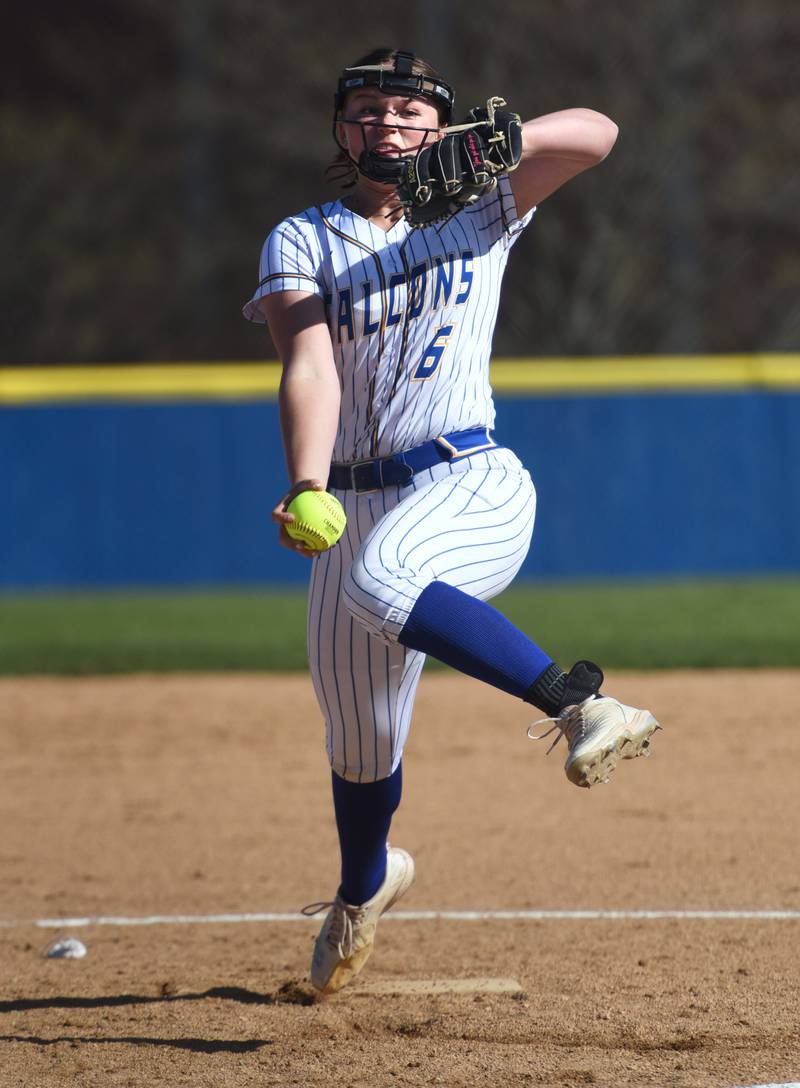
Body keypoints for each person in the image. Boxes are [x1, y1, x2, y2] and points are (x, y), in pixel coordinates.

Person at [243, 47, 661, 996]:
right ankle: (364, 886)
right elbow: (306, 361)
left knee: (381, 579)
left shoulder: (486, 206)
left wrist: (504, 140)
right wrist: (307, 480)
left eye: (406, 110)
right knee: (359, 742)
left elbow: (598, 135)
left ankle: (583, 703)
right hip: (348, 498)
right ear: (340, 128)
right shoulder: (301, 238)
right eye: (367, 108)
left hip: (469, 479)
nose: (386, 123)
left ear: (437, 127)